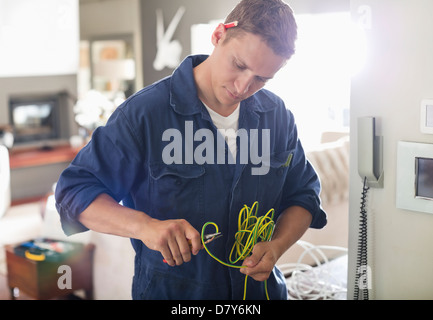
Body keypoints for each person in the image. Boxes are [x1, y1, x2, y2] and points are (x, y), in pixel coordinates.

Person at [55, 0, 327, 300]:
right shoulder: (144, 114)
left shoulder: (278, 116)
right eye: (239, 65)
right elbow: (74, 192)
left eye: (262, 79)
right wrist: (145, 227)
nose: (243, 87)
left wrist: (277, 247)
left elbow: (304, 194)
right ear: (218, 35)